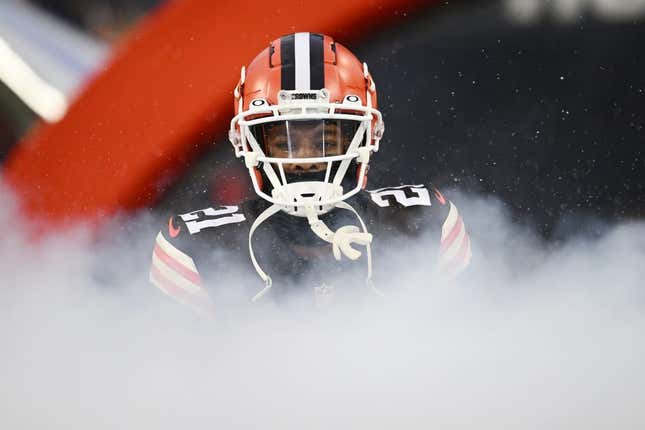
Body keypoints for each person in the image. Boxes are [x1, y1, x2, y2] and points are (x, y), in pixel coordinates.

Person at [149, 32, 471, 318]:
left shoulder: (424, 220)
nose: (304, 158)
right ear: (248, 141)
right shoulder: (195, 247)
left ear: (366, 136)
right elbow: (182, 376)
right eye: (284, 141)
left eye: (326, 140)